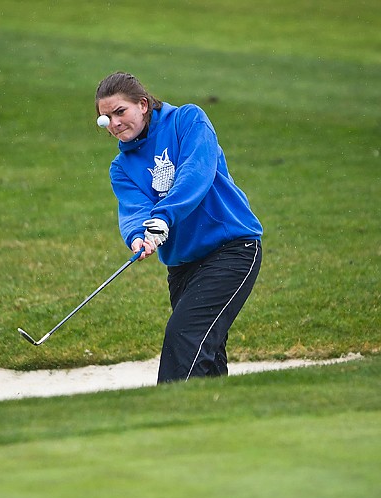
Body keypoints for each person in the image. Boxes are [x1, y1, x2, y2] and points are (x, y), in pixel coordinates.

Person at [95, 71, 263, 384]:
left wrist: (164, 216)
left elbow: (196, 173)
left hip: (232, 249)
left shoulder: (188, 120)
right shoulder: (121, 168)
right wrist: (138, 236)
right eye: (106, 118)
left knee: (184, 335)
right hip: (183, 266)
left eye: (120, 112)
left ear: (143, 105)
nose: (115, 124)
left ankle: (168, 413)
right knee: (207, 353)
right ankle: (212, 422)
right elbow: (134, 210)